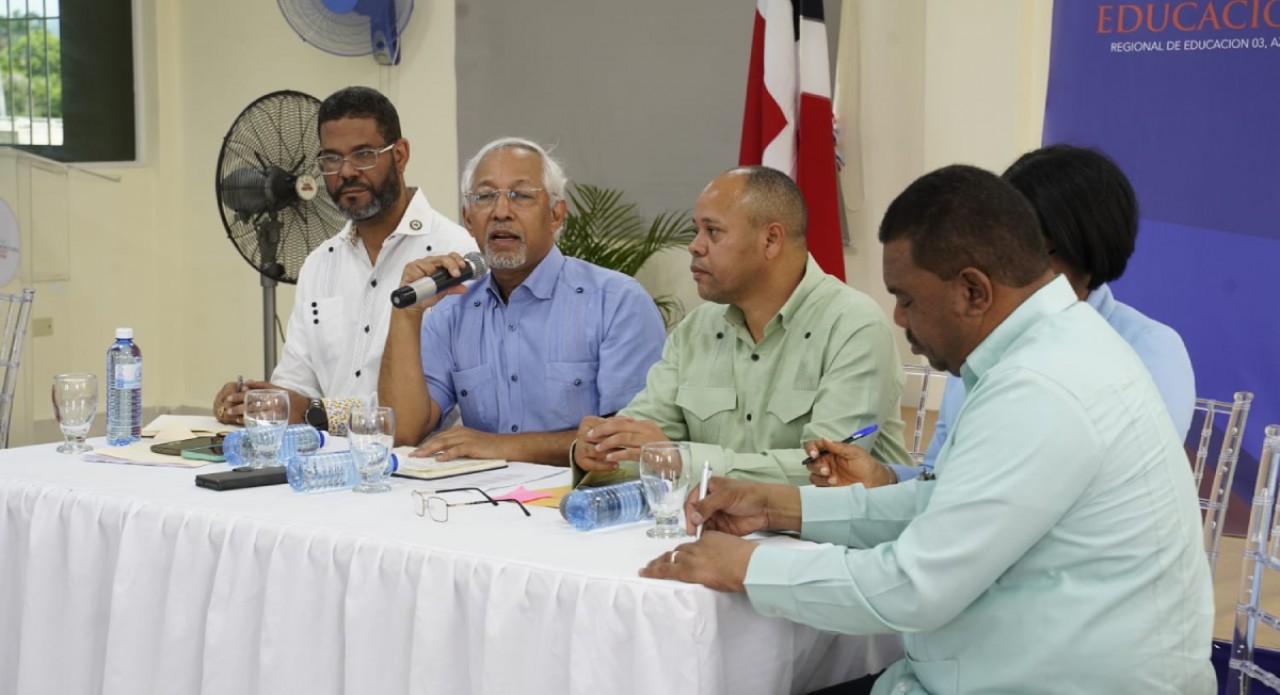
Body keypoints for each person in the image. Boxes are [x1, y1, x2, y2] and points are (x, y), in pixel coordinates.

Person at [641, 165, 1214, 694]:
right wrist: (785, 508)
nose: (898, 319)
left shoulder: (1041, 387)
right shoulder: (1051, 352)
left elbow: (915, 586)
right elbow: (945, 504)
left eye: (907, 299)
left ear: (973, 291)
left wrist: (747, 565)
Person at [820, 145, 1197, 488]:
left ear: (1079, 246)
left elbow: (1033, 500)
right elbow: (943, 478)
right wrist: (882, 476)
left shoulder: (1145, 348)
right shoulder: (984, 340)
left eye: (1024, 244)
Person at [573, 166, 911, 486]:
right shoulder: (696, 329)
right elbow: (642, 439)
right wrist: (600, 448)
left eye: (713, 231)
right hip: (715, 529)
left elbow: (828, 469)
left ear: (771, 240)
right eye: (696, 231)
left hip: (833, 539)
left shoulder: (853, 326)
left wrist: (684, 462)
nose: (694, 246)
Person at [377, 137, 666, 464]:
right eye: (485, 197)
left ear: (556, 214)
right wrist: (407, 314)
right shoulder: (452, 310)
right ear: (468, 219)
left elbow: (628, 443)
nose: (501, 212)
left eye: (521, 196)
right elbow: (402, 433)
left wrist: (501, 446)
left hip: (584, 502)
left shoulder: (616, 302)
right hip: (478, 500)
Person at [212, 86, 477, 427]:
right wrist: (258, 401)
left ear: (400, 155)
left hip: (422, 469)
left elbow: (423, 409)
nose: (347, 171)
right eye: (332, 159)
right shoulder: (320, 264)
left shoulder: (453, 256)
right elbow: (296, 385)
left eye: (364, 154)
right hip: (328, 461)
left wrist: (311, 412)